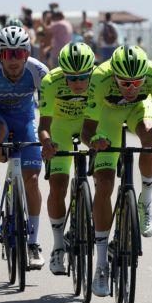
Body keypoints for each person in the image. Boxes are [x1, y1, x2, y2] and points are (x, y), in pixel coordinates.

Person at [84, 45, 152, 297]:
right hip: (106, 117)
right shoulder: (100, 76)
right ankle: (101, 264)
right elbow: (87, 129)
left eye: (137, 82)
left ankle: (145, 199)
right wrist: (95, 142)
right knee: (104, 185)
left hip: (138, 111)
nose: (131, 88)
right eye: (124, 83)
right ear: (114, 75)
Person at [0, 26, 49, 270]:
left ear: (27, 54)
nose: (13, 60)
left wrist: (48, 140)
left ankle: (34, 243)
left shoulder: (39, 71)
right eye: (7, 55)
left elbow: (49, 115)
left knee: (33, 180)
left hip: (25, 120)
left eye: (18, 54)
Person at [39, 42, 95, 274]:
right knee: (58, 186)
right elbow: (43, 126)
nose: (78, 83)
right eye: (71, 78)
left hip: (90, 125)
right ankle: (59, 245)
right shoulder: (50, 82)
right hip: (60, 129)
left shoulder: (100, 81)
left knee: (104, 176)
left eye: (83, 77)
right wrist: (46, 143)